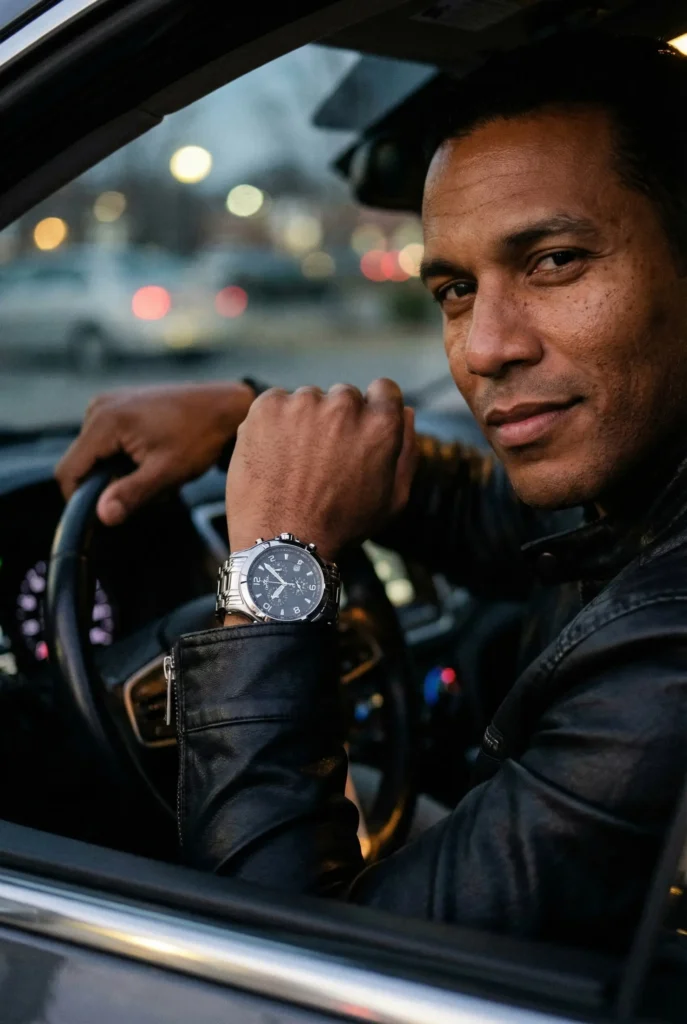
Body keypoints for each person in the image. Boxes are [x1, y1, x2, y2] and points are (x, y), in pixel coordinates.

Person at [57, 32, 687, 949]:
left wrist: (276, 566)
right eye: (455, 289)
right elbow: (498, 519)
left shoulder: (663, 665)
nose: (483, 348)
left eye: (553, 260)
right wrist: (249, 416)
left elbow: (287, 960)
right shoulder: (645, 492)